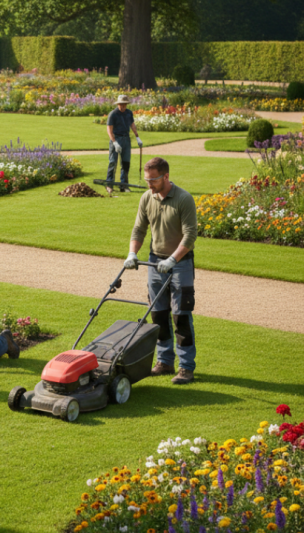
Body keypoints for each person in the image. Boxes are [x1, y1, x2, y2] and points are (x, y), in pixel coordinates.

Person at [123, 157, 198, 384]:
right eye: (146, 180)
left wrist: (174, 259)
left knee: (180, 316)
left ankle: (186, 367)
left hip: (180, 264)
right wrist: (132, 253)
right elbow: (139, 229)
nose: (149, 184)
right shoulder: (147, 198)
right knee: (158, 315)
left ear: (165, 176)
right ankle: (164, 362)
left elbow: (190, 236)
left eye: (153, 180)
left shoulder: (183, 199)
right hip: (155, 262)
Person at [106, 94, 143, 194]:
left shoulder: (128, 113)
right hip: (116, 138)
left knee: (126, 163)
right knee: (113, 162)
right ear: (118, 104)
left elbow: (132, 125)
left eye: (124, 104)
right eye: (121, 104)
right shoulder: (113, 114)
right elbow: (109, 130)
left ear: (126, 104)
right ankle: (109, 185)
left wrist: (137, 137)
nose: (122, 106)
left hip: (126, 139)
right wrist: (114, 143)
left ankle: (124, 186)